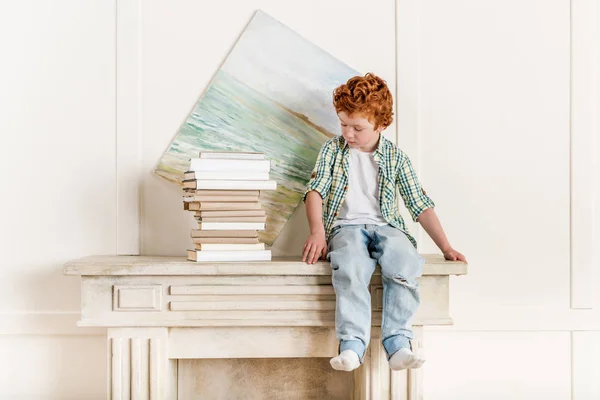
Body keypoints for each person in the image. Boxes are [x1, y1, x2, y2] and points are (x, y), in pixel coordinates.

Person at [301, 73, 467, 372]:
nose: (348, 133)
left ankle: (398, 343)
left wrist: (446, 246)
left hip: (388, 227)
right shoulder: (332, 151)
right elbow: (315, 191)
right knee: (350, 268)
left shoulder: (396, 158)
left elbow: (420, 204)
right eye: (343, 124)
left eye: (357, 127)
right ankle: (352, 344)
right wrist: (317, 232)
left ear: (381, 124)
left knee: (404, 261)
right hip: (345, 227)